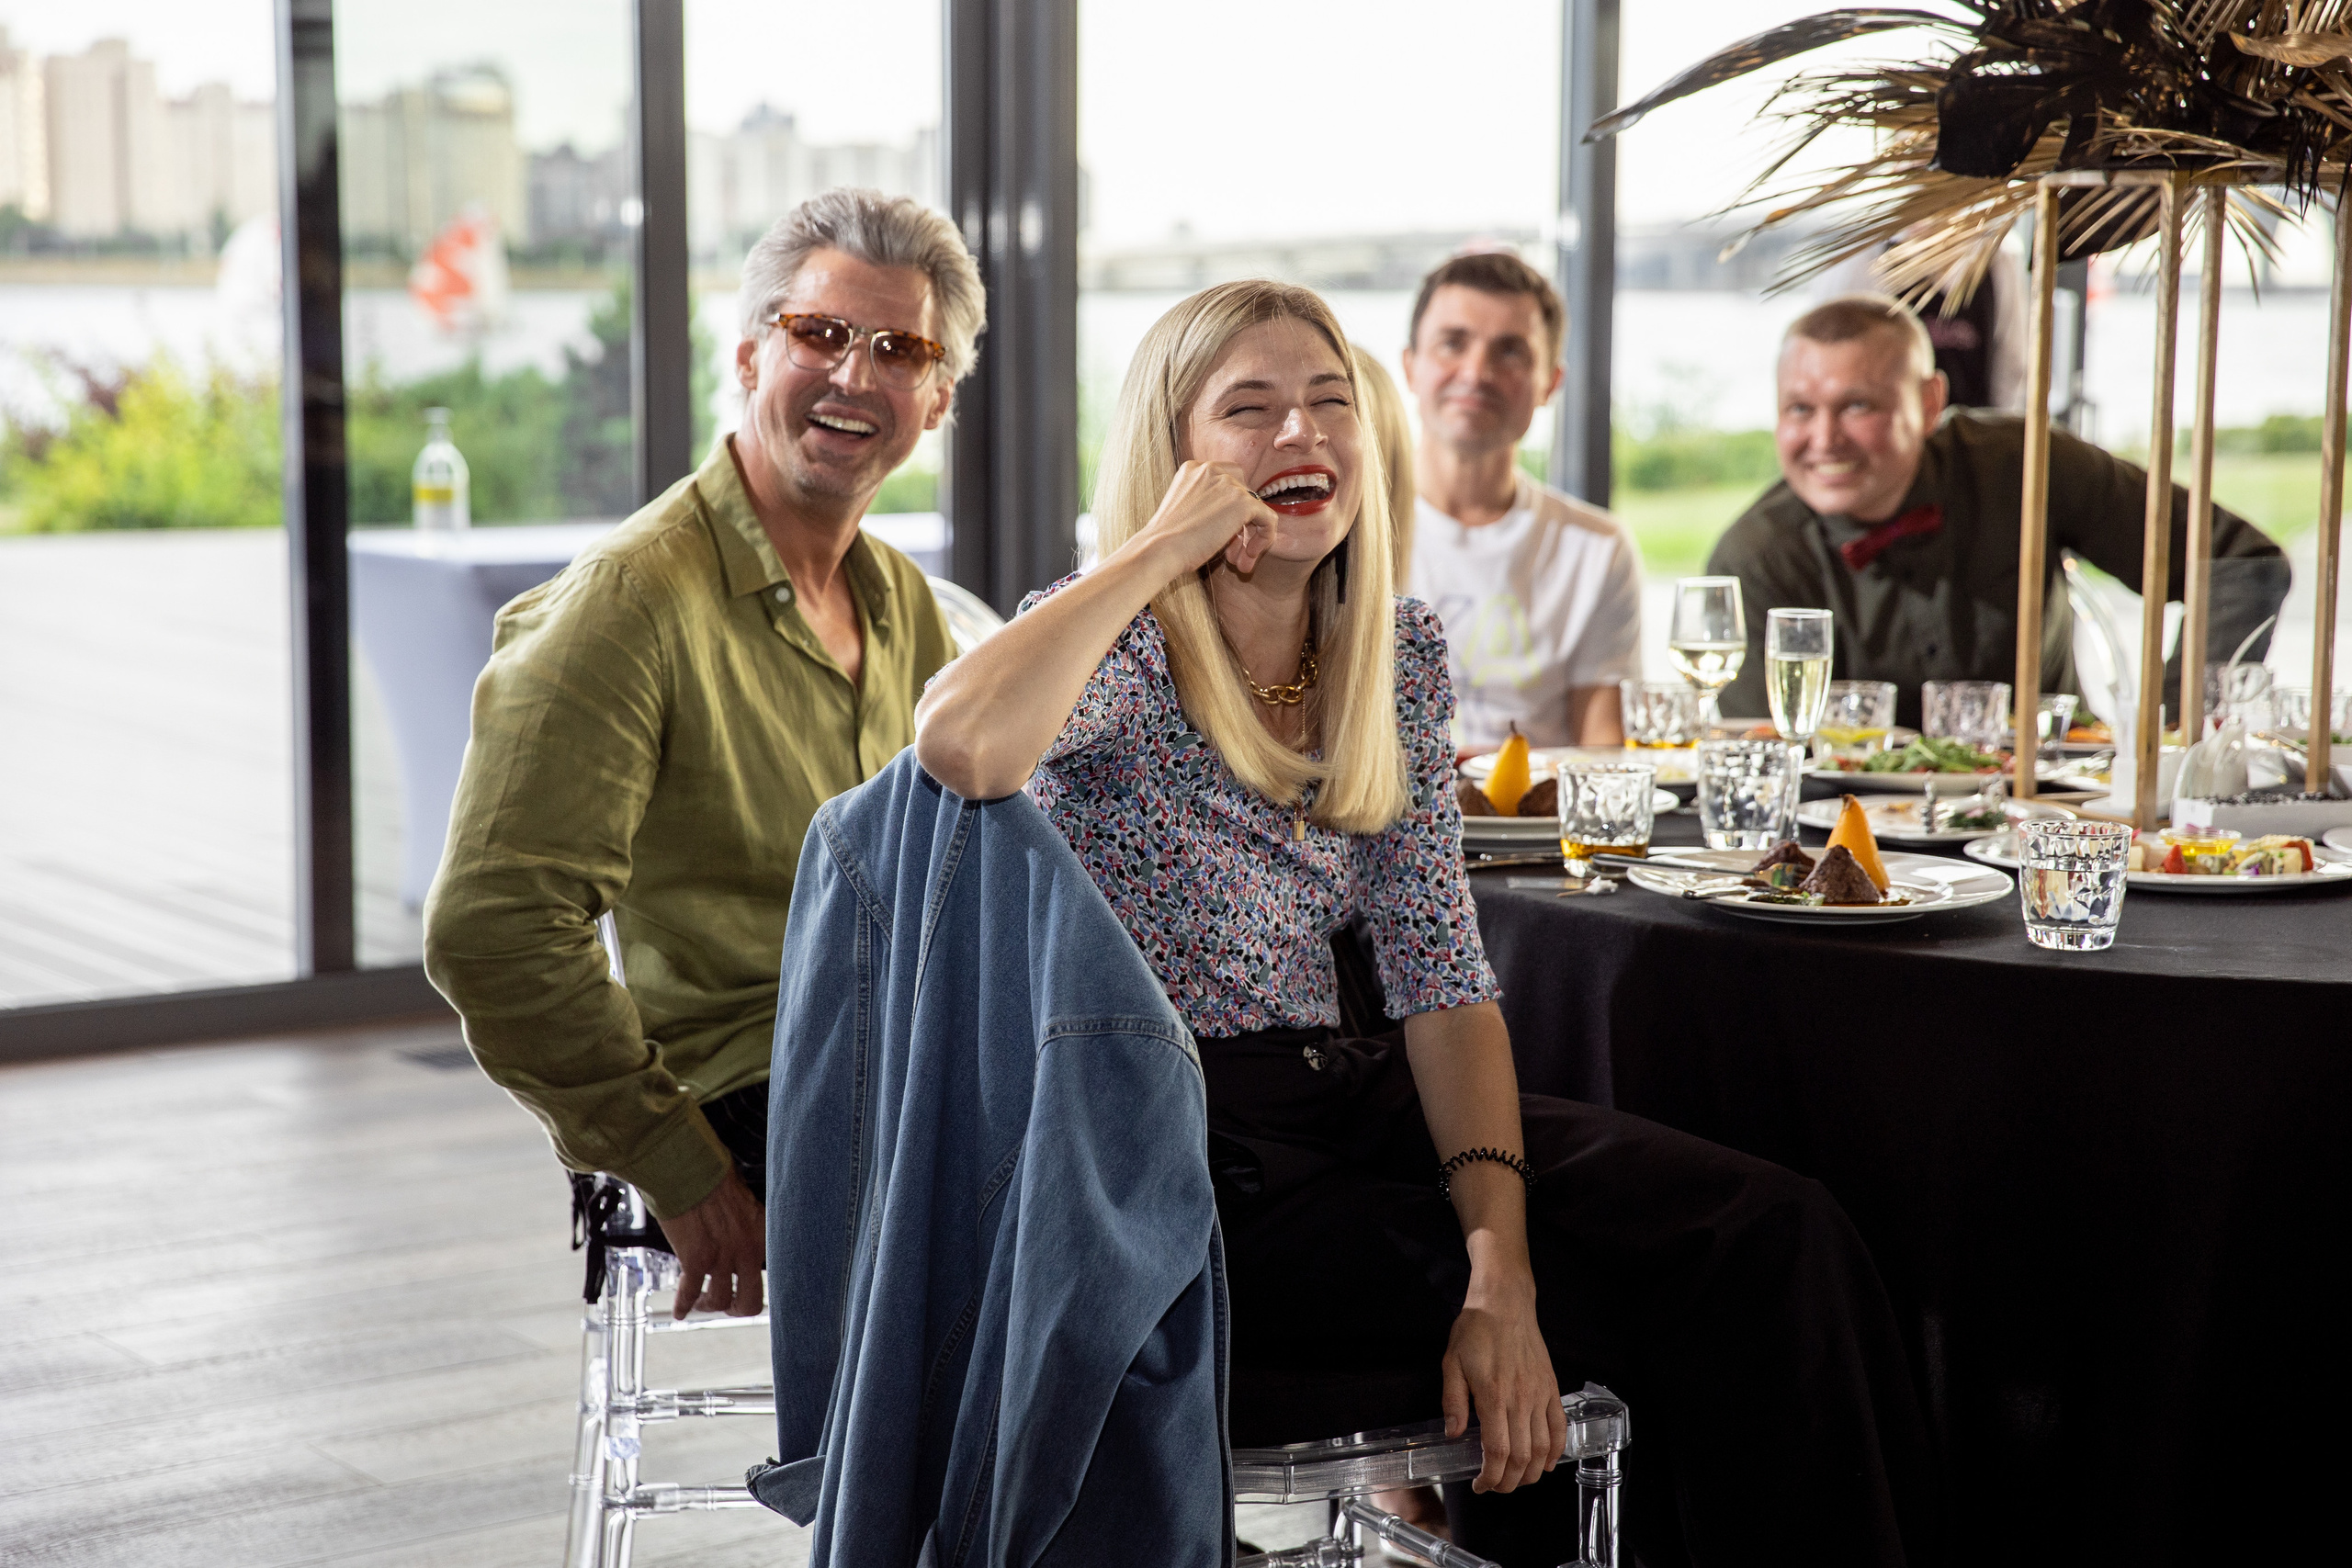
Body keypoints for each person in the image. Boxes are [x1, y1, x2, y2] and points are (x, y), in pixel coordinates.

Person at [914, 279, 1932, 1566]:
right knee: (1627, 1312)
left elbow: (1445, 982)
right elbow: (957, 742)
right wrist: (1150, 554)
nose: (1306, 436)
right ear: (1171, 458)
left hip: (1360, 1099)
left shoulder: (1390, 649)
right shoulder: (1121, 646)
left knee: (1772, 1230)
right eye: (1251, 410)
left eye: (1331, 403)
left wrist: (1497, 1262)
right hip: (1183, 1161)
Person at [424, 189, 981, 1321]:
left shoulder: (902, 604)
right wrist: (674, 1163)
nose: (854, 376)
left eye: (899, 349)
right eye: (818, 334)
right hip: (748, 1096)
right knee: (1075, 1193)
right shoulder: (629, 602)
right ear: (748, 355)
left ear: (938, 396)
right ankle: (938, 1497)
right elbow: (491, 927)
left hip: (905, 1072)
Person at [1710, 293, 2289, 731]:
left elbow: (2239, 561)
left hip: (2056, 820)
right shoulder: (1755, 555)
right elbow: (1767, 757)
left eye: (1857, 405)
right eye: (1799, 409)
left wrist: (2166, 734)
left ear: (1930, 402)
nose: (1824, 438)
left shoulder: (2027, 464)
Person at [1402, 252, 1644, 749]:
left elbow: (1604, 748)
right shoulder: (1348, 530)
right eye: (1453, 343)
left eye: (1510, 351)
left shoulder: (1595, 549)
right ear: (1410, 367)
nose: (1476, 372)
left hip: (1536, 821)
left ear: (1550, 383)